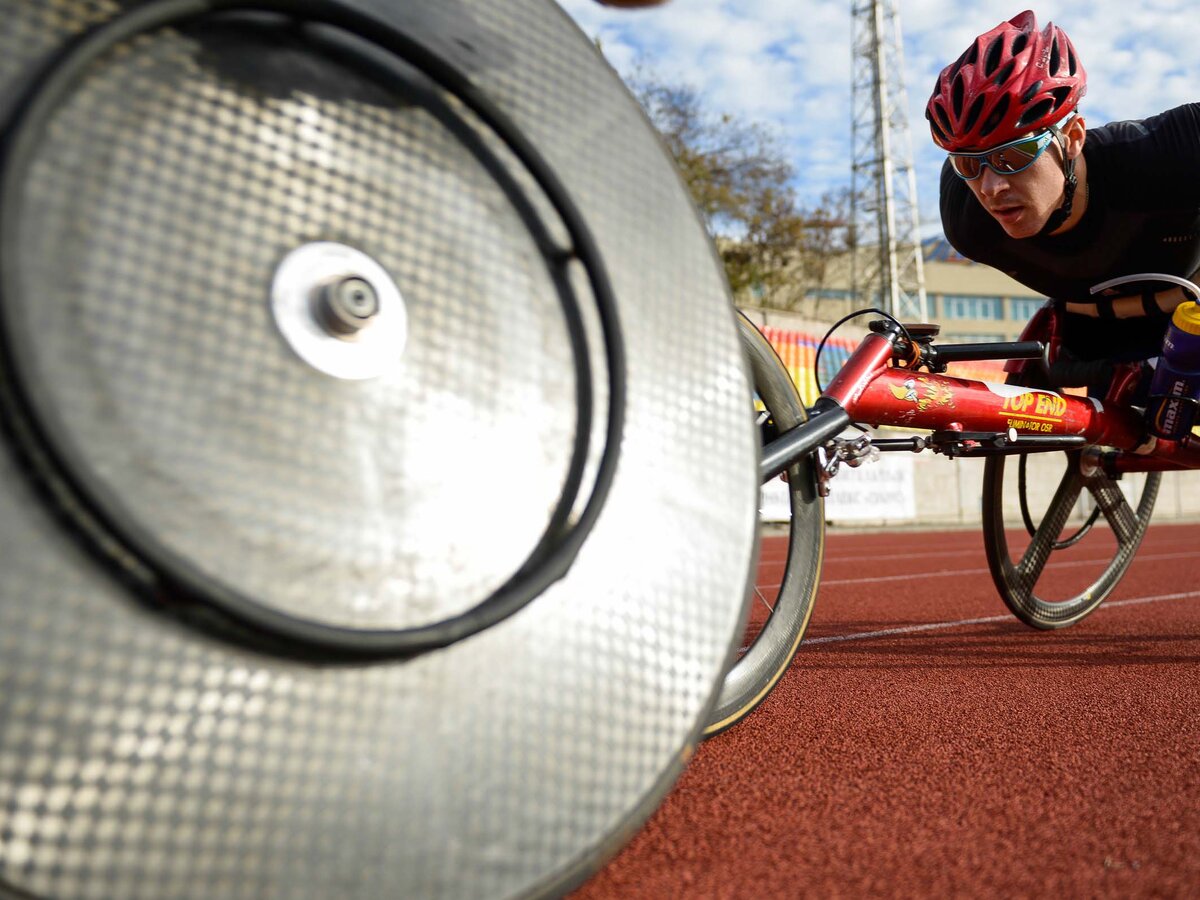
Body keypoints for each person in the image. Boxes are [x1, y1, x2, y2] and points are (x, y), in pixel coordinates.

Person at [925, 9, 1200, 385]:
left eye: (1014, 156)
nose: (991, 188)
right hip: (1088, 339)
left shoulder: (1170, 151)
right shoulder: (966, 219)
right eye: (968, 164)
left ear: (1072, 138)